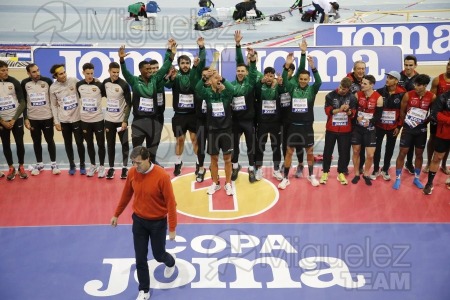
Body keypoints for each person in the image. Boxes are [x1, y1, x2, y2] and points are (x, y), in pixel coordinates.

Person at [111, 146, 177, 300]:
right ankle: (144, 290)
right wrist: (116, 214)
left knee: (159, 255)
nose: (136, 166)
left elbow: (171, 204)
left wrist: (172, 228)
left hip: (158, 223)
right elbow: (126, 194)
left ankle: (170, 261)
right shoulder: (133, 173)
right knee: (140, 257)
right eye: (133, 162)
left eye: (139, 163)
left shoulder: (162, 176)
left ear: (148, 159)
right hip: (139, 221)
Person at [118, 39, 176, 165]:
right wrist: (122, 60)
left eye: (150, 69)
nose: (150, 71)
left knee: (152, 147)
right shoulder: (134, 81)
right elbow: (125, 73)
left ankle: (153, 165)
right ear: (140, 70)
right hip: (139, 121)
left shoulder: (154, 80)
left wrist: (172, 54)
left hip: (153, 121)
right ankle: (136, 168)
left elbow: (165, 67)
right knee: (137, 150)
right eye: (147, 69)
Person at [280, 49, 322, 189]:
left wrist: (313, 67)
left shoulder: (312, 90)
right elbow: (285, 79)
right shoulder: (292, 88)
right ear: (298, 79)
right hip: (293, 125)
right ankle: (285, 178)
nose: (303, 81)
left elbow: (319, 81)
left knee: (309, 152)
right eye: (301, 79)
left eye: (306, 79)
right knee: (289, 152)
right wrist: (287, 65)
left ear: (309, 80)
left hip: (307, 126)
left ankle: (311, 175)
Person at [198, 65, 240, 195]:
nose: (217, 80)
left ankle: (228, 184)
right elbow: (197, 88)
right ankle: (215, 183)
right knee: (213, 159)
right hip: (212, 132)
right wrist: (204, 77)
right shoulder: (207, 94)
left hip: (226, 131)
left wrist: (223, 79)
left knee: (227, 159)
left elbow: (233, 90)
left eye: (218, 78)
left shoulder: (226, 93)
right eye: (214, 78)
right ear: (209, 81)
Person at [168, 37, 205, 176]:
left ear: (190, 64)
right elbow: (167, 85)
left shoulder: (194, 75)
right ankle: (178, 163)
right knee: (180, 140)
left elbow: (201, 64)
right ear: (179, 64)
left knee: (195, 140)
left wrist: (201, 48)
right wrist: (170, 77)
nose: (185, 65)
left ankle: (198, 162)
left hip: (193, 115)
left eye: (187, 63)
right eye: (182, 63)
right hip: (179, 116)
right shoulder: (175, 76)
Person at [393, 74, 436, 190]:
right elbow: (402, 111)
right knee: (403, 152)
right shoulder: (408, 95)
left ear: (425, 86)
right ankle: (397, 178)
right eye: (415, 84)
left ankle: (416, 178)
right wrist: (405, 124)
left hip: (421, 130)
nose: (416, 87)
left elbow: (433, 113)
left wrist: (423, 123)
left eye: (419, 85)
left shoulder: (432, 97)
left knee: (419, 154)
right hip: (408, 129)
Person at [21, 63, 61, 175]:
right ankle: (39, 164)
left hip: (47, 117)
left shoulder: (47, 81)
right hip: (33, 119)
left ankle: (54, 163)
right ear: (29, 73)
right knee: (36, 142)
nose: (37, 73)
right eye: (34, 72)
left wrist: (55, 117)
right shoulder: (24, 83)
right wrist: (26, 118)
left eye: (38, 70)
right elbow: (23, 102)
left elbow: (53, 101)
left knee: (50, 140)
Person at [230, 30, 258, 183]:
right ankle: (235, 167)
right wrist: (237, 44)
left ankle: (251, 169)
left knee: (250, 147)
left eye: (243, 71)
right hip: (235, 121)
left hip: (248, 121)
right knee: (234, 146)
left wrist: (252, 60)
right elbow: (239, 61)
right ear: (236, 71)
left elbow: (252, 70)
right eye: (238, 70)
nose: (240, 72)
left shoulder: (250, 82)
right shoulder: (231, 85)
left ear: (246, 73)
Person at [49, 64, 86, 175]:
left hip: (77, 118)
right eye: (61, 74)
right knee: (68, 143)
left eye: (64, 72)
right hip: (64, 120)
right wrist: (56, 121)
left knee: (80, 143)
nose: (64, 75)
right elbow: (54, 105)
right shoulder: (53, 88)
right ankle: (71, 164)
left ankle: (82, 164)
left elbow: (84, 86)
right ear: (55, 76)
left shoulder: (73, 80)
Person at [320, 77, 357, 185]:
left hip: (346, 131)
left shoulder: (352, 98)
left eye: (344, 89)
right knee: (327, 151)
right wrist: (340, 109)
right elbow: (328, 111)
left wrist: (348, 111)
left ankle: (341, 172)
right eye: (340, 87)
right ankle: (325, 172)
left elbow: (353, 114)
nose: (341, 90)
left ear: (348, 89)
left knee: (344, 152)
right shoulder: (330, 95)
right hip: (331, 129)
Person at [371, 71, 406, 181]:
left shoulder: (402, 93)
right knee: (376, 148)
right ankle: (376, 169)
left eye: (390, 78)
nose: (387, 80)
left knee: (390, 149)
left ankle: (385, 169)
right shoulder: (380, 92)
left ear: (396, 81)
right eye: (387, 77)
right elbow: (375, 109)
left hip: (393, 127)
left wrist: (399, 127)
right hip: (379, 126)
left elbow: (402, 111)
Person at [351, 75, 383, 186]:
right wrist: (356, 118)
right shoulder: (357, 95)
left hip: (370, 129)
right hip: (357, 129)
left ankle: (366, 173)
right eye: (362, 83)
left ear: (371, 85)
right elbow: (353, 111)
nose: (362, 85)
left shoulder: (378, 98)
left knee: (370, 155)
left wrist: (370, 121)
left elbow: (378, 116)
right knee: (356, 151)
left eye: (365, 83)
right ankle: (356, 173)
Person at [254, 67, 285, 182]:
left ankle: (276, 170)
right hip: (262, 122)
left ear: (274, 77)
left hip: (275, 123)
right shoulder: (260, 86)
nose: (268, 77)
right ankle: (258, 169)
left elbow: (283, 96)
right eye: (266, 75)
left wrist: (281, 85)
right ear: (264, 76)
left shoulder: (277, 86)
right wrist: (259, 82)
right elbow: (255, 93)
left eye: (271, 76)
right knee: (260, 146)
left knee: (276, 147)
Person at [102, 62, 132, 179]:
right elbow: (103, 95)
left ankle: (125, 168)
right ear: (109, 71)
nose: (115, 74)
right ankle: (111, 168)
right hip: (109, 120)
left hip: (121, 121)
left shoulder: (124, 85)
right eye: (113, 72)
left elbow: (129, 104)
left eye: (117, 72)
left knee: (125, 144)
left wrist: (125, 120)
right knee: (110, 145)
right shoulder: (105, 83)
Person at [77, 63, 107, 178]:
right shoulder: (79, 85)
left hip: (98, 120)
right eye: (87, 73)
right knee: (89, 144)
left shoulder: (100, 85)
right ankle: (93, 165)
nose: (90, 75)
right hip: (84, 121)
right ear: (83, 72)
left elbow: (109, 96)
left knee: (100, 144)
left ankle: (102, 167)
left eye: (91, 73)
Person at [0, 60, 27, 180]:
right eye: (2, 70)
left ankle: (21, 166)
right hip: (2, 121)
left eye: (6, 70)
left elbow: (22, 102)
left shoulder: (14, 81)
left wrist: (14, 119)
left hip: (16, 119)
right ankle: (11, 168)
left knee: (20, 143)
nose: (5, 72)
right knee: (6, 144)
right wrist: (2, 121)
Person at [423, 59, 450, 174]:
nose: (449, 67)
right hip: (438, 116)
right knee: (433, 138)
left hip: (448, 118)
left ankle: (443, 164)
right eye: (448, 64)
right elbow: (432, 99)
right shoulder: (437, 80)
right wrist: (431, 116)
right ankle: (429, 163)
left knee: (448, 141)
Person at [423, 90, 450, 194]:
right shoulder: (443, 97)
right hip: (444, 133)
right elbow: (435, 114)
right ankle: (429, 183)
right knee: (437, 157)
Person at [399, 55, 420, 175]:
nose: (408, 67)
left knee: (411, 140)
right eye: (406, 65)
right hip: (399, 113)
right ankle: (387, 166)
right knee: (395, 138)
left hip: (412, 114)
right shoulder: (398, 76)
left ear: (415, 65)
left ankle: (409, 163)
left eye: (410, 65)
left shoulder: (419, 78)